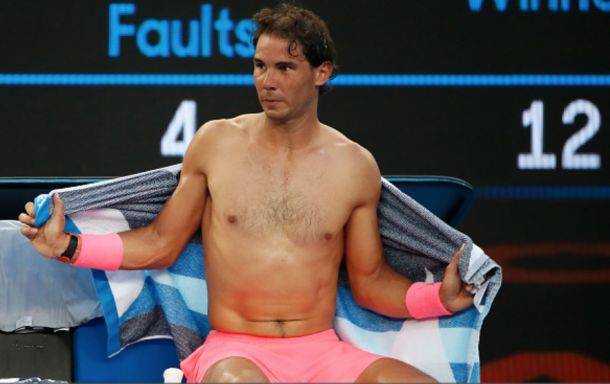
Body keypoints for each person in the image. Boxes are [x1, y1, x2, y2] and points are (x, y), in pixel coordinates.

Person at [19, 4, 475, 383]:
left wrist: (437, 298)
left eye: (284, 67)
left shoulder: (356, 166)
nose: (266, 81)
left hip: (324, 355)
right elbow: (160, 242)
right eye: (259, 65)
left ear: (322, 72)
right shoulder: (216, 144)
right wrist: (69, 246)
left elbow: (370, 282)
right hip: (236, 354)